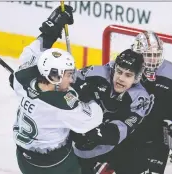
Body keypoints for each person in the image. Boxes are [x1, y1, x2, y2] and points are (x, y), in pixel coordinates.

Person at [9, 5, 103, 174]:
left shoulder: (21, 78)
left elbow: (32, 53)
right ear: (55, 77)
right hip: (55, 165)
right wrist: (88, 97)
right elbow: (93, 119)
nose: (71, 79)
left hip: (24, 159)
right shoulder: (62, 105)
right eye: (68, 74)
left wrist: (50, 30)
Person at [121, 30, 172, 174]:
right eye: (148, 56)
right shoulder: (123, 68)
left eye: (156, 55)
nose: (152, 60)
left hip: (157, 139)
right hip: (125, 136)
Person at [71, 48, 154, 174]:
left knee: (138, 162)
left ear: (136, 78)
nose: (121, 78)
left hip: (117, 147)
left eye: (128, 75)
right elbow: (67, 85)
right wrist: (75, 91)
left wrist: (95, 132)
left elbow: (120, 130)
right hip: (78, 145)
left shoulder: (140, 97)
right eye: (119, 72)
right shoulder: (96, 73)